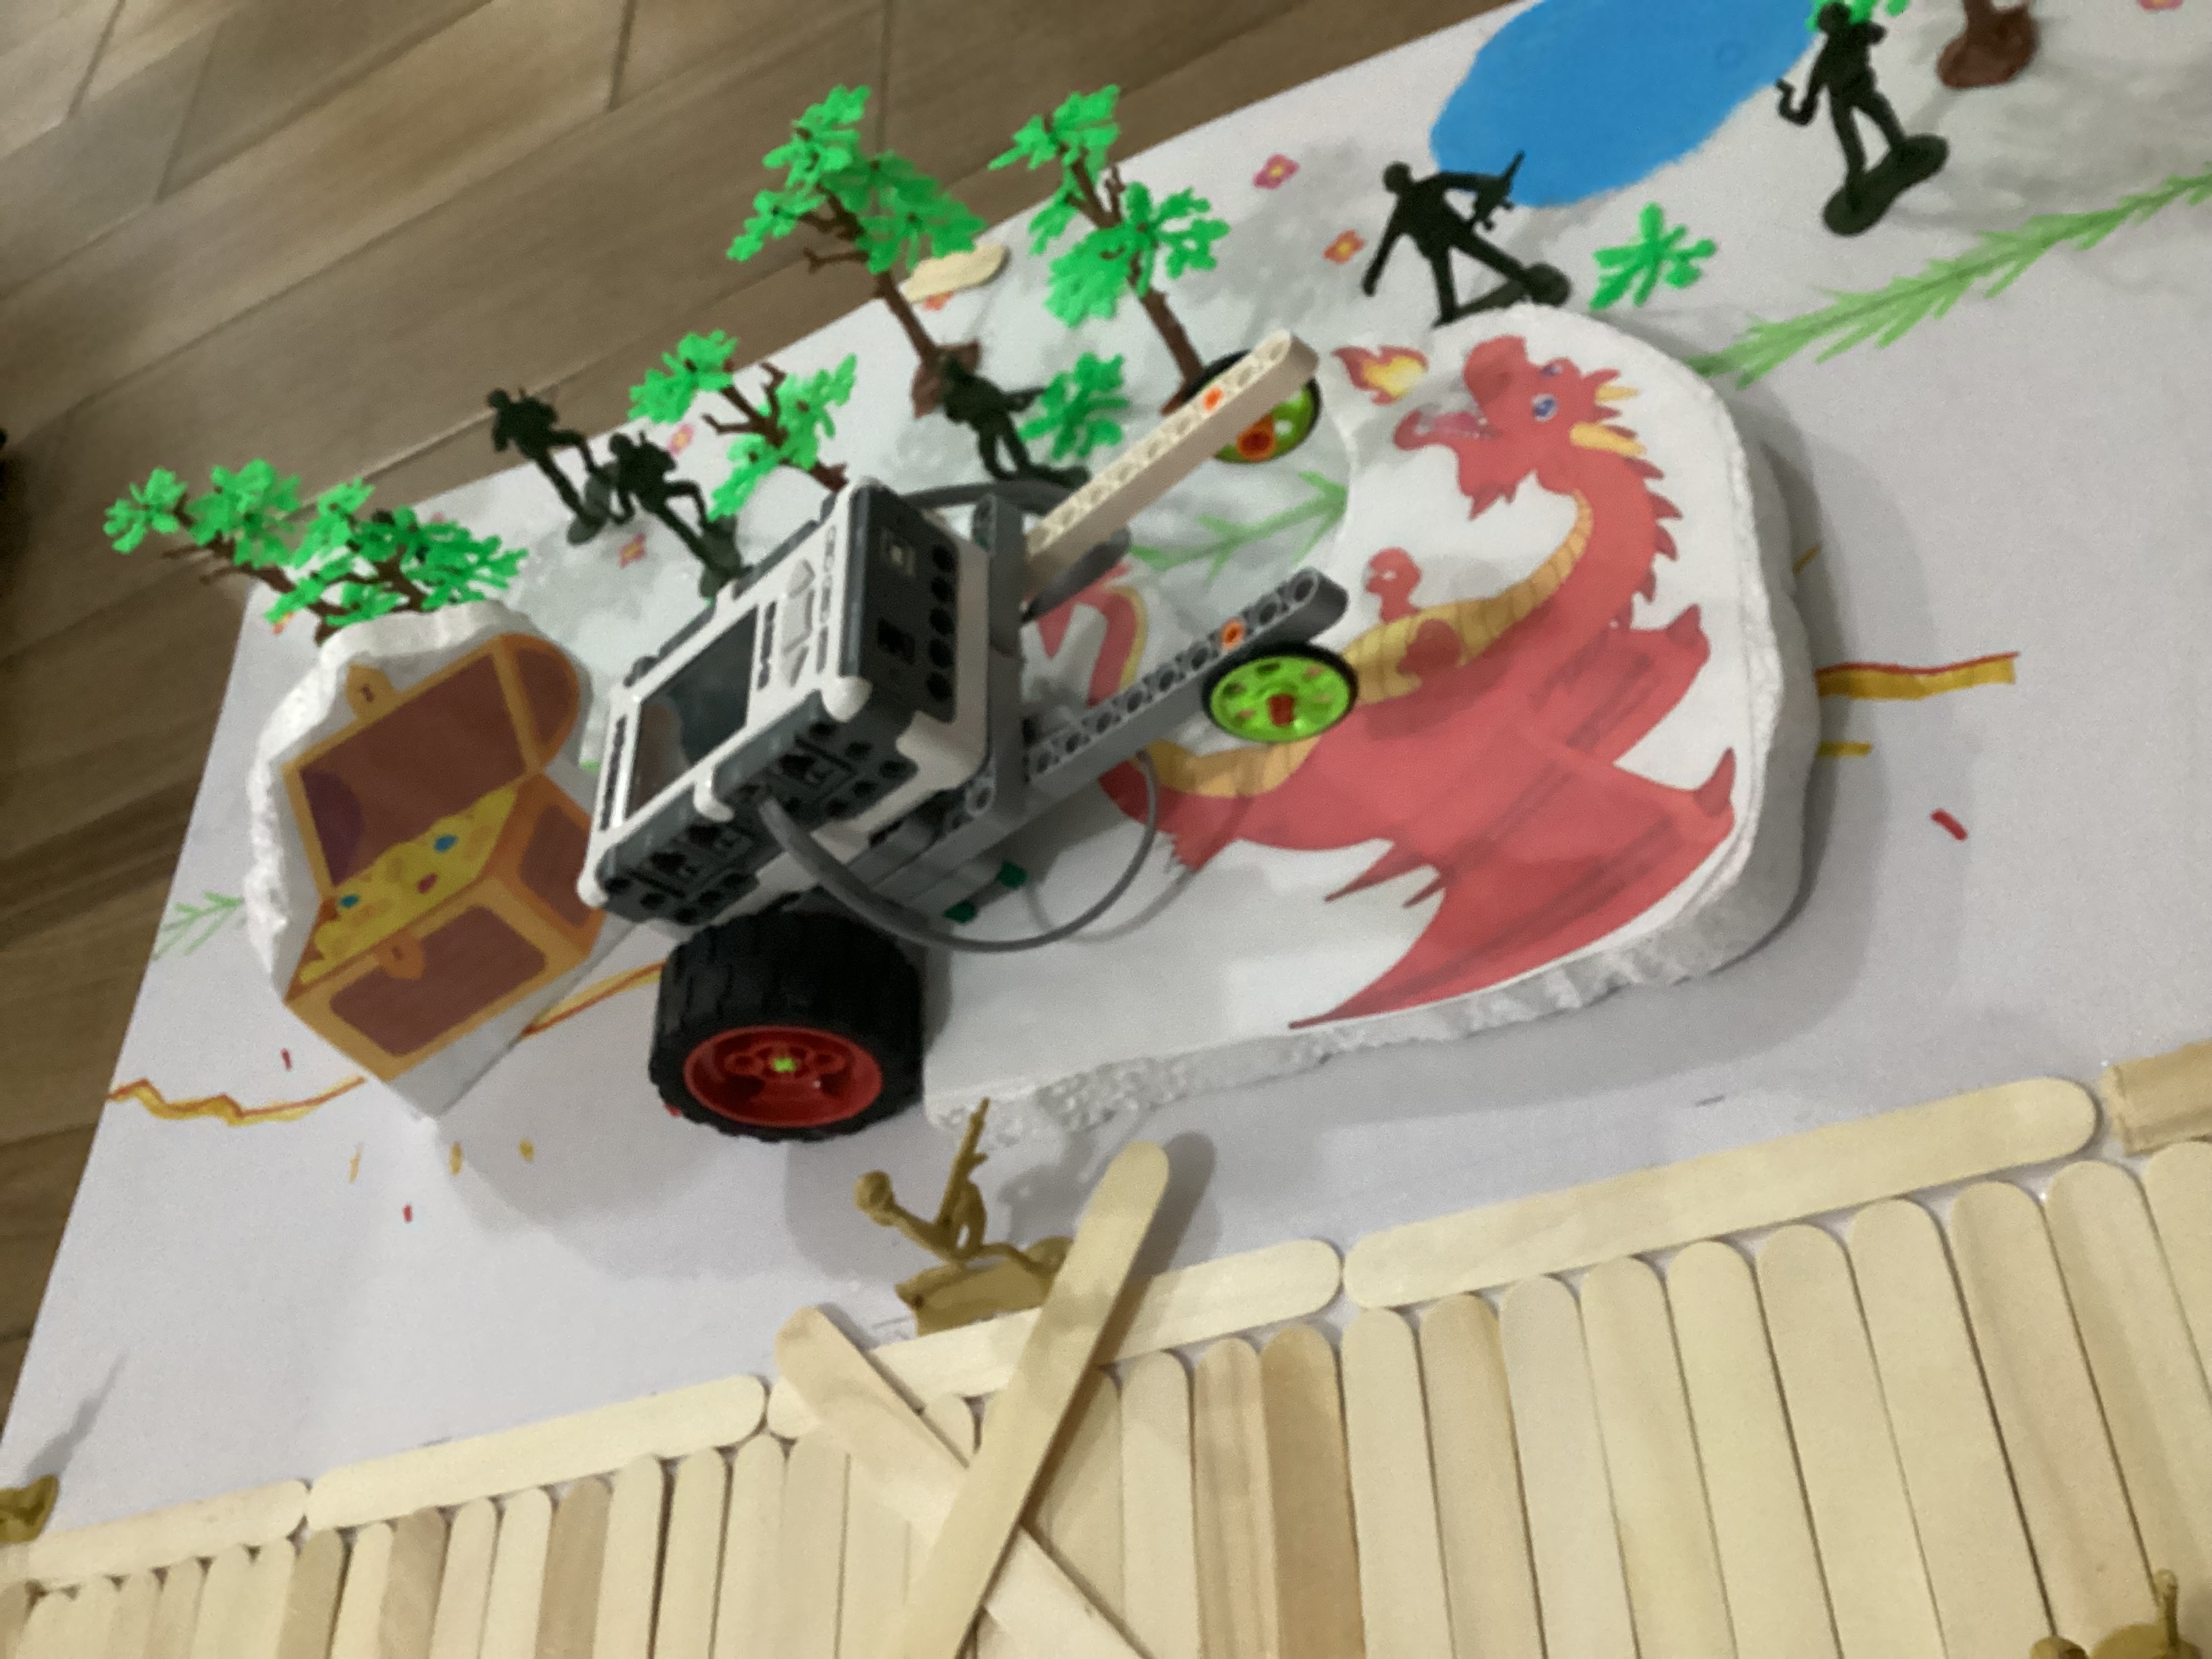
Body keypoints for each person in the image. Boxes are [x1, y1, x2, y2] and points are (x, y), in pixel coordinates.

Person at [1361, 156, 1568, 323]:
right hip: (1451, 238)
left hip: (1451, 237)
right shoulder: (1414, 202)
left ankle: (1450, 313)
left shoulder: (1407, 208)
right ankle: (1528, 283)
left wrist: (1371, 279)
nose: (1406, 184)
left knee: (1474, 266)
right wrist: (1491, 185)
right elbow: (1384, 250)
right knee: (1479, 263)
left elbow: (1464, 181)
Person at [937, 357, 1084, 487]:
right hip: (994, 426)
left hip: (996, 425)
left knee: (1006, 466)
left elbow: (1001, 402)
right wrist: (1023, 402)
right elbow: (1003, 402)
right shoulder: (974, 387)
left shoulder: (967, 390)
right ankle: (1036, 483)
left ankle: (1052, 483)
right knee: (1004, 466)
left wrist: (1024, 400)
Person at [486, 389, 598, 519]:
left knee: (558, 479)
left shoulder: (502, 423)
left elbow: (500, 447)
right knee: (577, 441)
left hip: (534, 449)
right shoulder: (525, 406)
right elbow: (552, 418)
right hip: (545, 438)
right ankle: (591, 467)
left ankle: (581, 512)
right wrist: (540, 408)